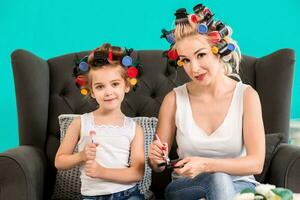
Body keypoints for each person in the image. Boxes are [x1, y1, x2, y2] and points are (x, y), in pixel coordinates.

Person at [149, 4, 265, 200]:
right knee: (217, 180)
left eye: (201, 55)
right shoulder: (174, 99)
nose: (194, 69)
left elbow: (255, 163)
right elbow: (158, 166)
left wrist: (206, 165)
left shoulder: (246, 96)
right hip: (186, 187)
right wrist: (156, 159)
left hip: (240, 185)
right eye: (185, 60)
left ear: (218, 51)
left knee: (220, 180)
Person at [55, 43, 145, 200]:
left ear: (127, 85)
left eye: (115, 84)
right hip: (92, 196)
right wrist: (81, 156)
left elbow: (137, 172)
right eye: (100, 87)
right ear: (92, 91)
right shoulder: (80, 123)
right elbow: (59, 161)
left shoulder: (134, 128)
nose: (108, 92)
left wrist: (101, 172)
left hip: (127, 194)